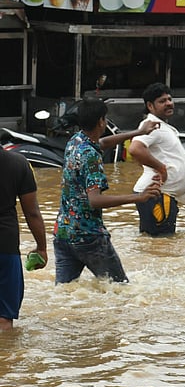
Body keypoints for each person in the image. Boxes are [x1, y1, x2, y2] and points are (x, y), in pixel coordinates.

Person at [54, 97, 162, 284]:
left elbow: (102, 143)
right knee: (120, 289)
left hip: (64, 232)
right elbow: (94, 200)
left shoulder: (75, 141)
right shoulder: (91, 158)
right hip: (89, 236)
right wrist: (139, 197)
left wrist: (138, 132)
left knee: (64, 292)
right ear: (101, 122)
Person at [127, 83, 185, 236]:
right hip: (157, 195)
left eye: (169, 99)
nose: (169, 103)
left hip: (162, 195)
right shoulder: (151, 125)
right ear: (150, 106)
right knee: (161, 244)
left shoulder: (161, 126)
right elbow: (135, 149)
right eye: (162, 101)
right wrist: (161, 168)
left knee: (155, 244)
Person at [1, 148, 46, 331]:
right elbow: (32, 212)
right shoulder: (18, 163)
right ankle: (7, 359)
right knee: (3, 319)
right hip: (5, 246)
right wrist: (41, 248)